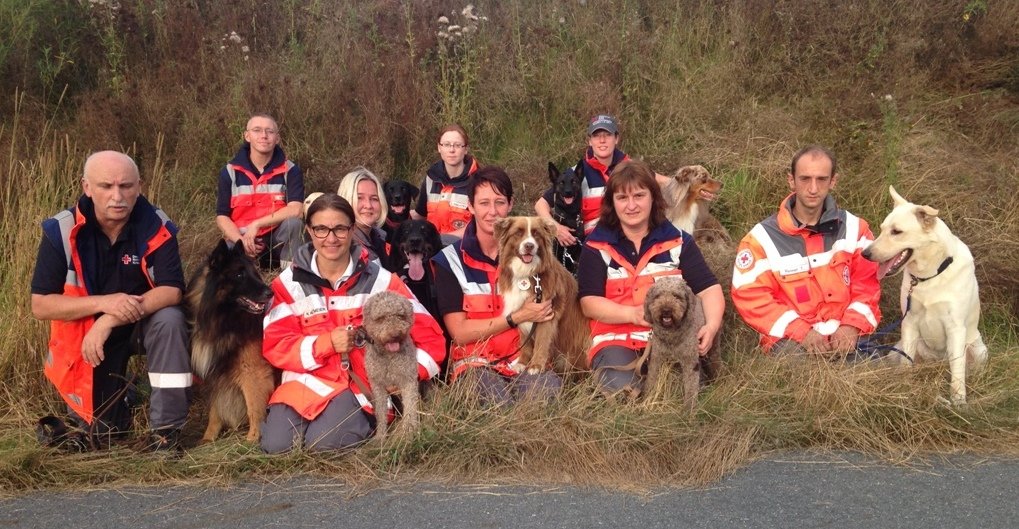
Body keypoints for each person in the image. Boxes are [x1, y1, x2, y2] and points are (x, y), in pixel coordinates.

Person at [30, 151, 191, 451]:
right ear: (87, 187)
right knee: (104, 435)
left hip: (139, 325)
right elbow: (41, 305)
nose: (117, 196)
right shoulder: (61, 230)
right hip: (89, 336)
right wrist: (103, 304)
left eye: (126, 186)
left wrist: (110, 318)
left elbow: (172, 290)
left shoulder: (157, 224)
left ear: (139, 187)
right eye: (106, 186)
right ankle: (128, 394)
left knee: (171, 319)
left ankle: (166, 433)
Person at [260, 193, 445, 453]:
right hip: (302, 385)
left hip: (358, 388)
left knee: (323, 445)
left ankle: (363, 425)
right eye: (321, 229)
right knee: (277, 446)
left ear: (352, 229)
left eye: (340, 228)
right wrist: (326, 344)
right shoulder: (286, 285)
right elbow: (276, 345)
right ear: (309, 231)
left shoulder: (382, 281)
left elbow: (432, 338)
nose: (331, 238)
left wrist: (410, 373)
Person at [576, 159, 724, 395]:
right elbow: (589, 302)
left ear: (654, 197)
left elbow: (709, 289)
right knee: (625, 395)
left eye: (639, 196)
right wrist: (632, 314)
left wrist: (712, 325)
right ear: (612, 202)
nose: (631, 205)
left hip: (673, 339)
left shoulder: (679, 241)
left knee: (681, 394)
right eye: (622, 198)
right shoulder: (595, 246)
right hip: (616, 341)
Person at [730, 145, 881, 357]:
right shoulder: (760, 239)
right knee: (799, 373)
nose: (813, 188)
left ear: (833, 181)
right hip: (791, 341)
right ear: (791, 180)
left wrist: (851, 325)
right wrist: (801, 331)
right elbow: (751, 296)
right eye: (805, 179)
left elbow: (867, 284)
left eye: (821, 179)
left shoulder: (856, 229)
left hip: (847, 334)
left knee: (875, 370)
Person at [431, 166, 561, 404]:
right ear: (470, 206)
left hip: (522, 359)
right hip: (475, 364)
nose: (493, 212)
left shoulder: (535, 258)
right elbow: (459, 333)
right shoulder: (450, 261)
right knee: (496, 405)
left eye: (499, 202)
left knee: (545, 396)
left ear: (510, 204)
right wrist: (516, 317)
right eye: (484, 203)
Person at [536, 114, 673, 249]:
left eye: (607, 135)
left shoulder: (632, 168)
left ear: (616, 138)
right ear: (590, 141)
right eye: (596, 136)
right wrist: (556, 228)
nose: (602, 140)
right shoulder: (574, 175)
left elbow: (668, 183)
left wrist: (685, 180)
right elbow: (541, 205)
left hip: (631, 240)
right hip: (594, 246)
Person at [215, 113, 305, 267]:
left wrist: (257, 224)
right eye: (257, 130)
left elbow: (296, 210)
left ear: (277, 138)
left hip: (277, 242)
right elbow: (222, 216)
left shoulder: (290, 170)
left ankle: (290, 276)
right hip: (242, 240)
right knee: (224, 254)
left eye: (270, 131)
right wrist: (241, 241)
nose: (264, 135)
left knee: (294, 224)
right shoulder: (229, 171)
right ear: (247, 136)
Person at [411, 124, 479, 243]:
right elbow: (420, 215)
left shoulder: (479, 182)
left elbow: (479, 225)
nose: (451, 150)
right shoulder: (430, 179)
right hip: (431, 248)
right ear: (439, 147)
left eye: (457, 145)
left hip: (463, 248)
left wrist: (440, 240)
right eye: (447, 145)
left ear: (465, 149)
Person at [337, 166, 389, 267]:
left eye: (374, 199)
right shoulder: (340, 247)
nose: (368, 205)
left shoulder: (381, 239)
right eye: (359, 198)